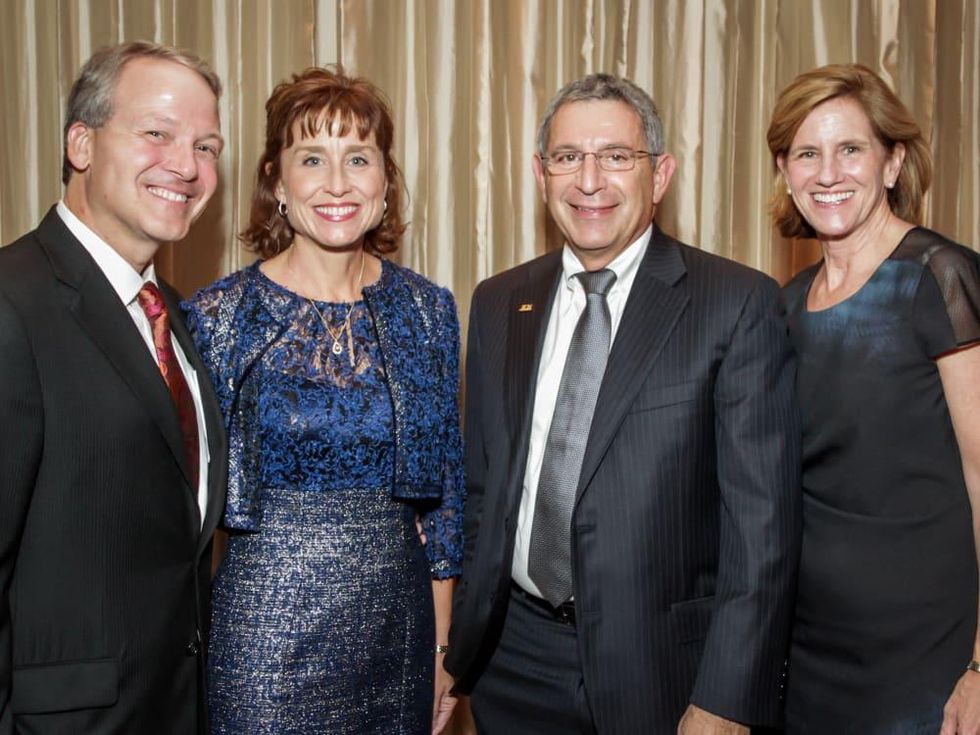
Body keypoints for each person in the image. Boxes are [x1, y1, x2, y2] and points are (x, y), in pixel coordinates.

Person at [445, 73, 801, 734]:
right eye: (567, 157)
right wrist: (459, 645)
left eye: (615, 156)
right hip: (513, 661)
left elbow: (763, 529)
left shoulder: (735, 303)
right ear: (540, 172)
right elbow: (482, 490)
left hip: (666, 672)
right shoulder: (498, 302)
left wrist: (727, 697)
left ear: (660, 174)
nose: (589, 180)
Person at [182, 66, 464, 735]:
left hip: (399, 636)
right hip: (264, 641)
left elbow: (446, 500)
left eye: (358, 158)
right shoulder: (218, 317)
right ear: (277, 181)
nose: (337, 184)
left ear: (385, 179)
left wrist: (443, 652)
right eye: (312, 158)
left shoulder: (429, 310)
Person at [0, 42, 227, 733]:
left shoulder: (174, 316)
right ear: (82, 143)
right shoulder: (13, 302)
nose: (186, 166)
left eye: (207, 145)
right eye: (156, 133)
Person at [767, 63, 980, 734]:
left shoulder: (939, 279)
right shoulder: (785, 307)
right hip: (811, 656)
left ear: (891, 163)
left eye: (850, 148)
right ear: (785, 170)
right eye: (808, 152)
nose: (828, 172)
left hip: (926, 655)